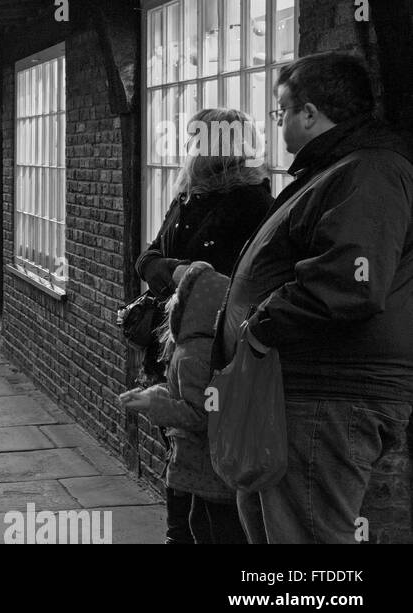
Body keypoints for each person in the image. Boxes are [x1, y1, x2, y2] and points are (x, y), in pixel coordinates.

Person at [215, 53, 413, 544]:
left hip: (330, 395)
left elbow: (352, 282)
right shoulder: (341, 169)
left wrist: (259, 325)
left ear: (309, 113)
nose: (278, 122)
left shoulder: (368, 171)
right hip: (304, 391)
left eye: (281, 110)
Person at [133, 107, 274, 543]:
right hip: (171, 347)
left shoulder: (255, 204)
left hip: (214, 354)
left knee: (209, 469)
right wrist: (178, 271)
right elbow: (147, 259)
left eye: (195, 139)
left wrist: (193, 276)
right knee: (181, 456)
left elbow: (245, 283)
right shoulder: (187, 198)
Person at [120, 262, 246, 544]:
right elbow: (187, 396)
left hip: (204, 464)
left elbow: (199, 413)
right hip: (205, 467)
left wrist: (154, 405)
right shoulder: (203, 348)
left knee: (210, 529)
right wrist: (153, 396)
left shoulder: (193, 355)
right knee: (201, 524)